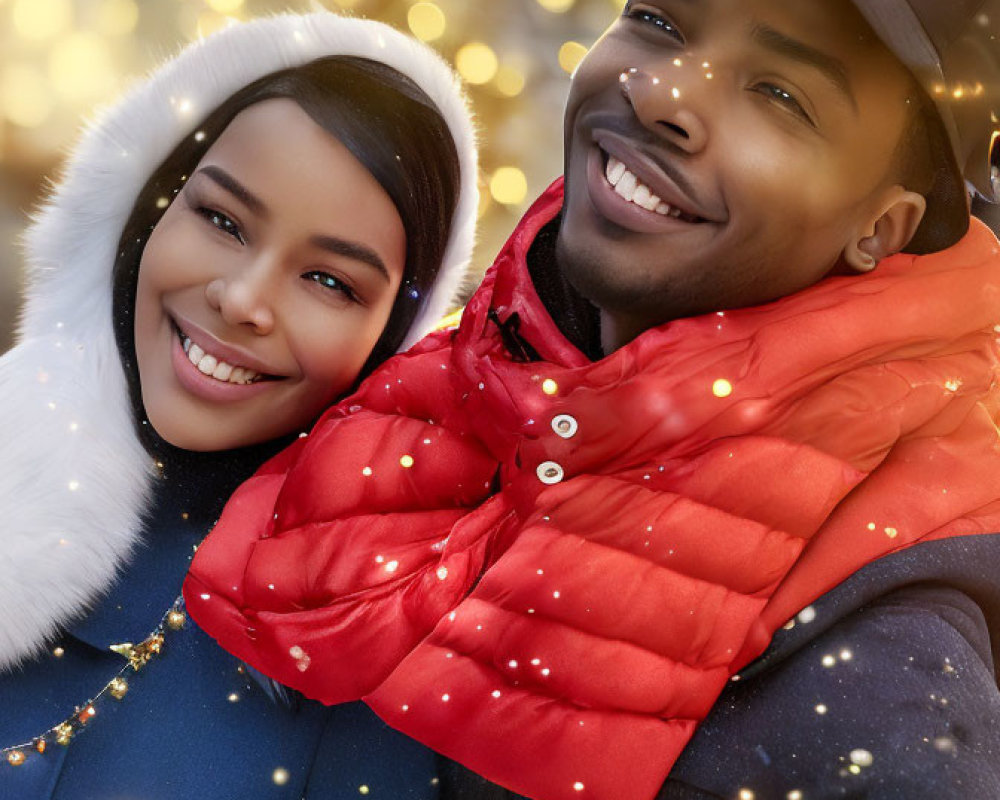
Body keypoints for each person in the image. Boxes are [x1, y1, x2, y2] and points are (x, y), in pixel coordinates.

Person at [185, 1, 1000, 798]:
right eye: (660, 22)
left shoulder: (885, 680)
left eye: (781, 96)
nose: (661, 93)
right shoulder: (434, 376)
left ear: (882, 228)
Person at [0, 12, 478, 798]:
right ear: (147, 207)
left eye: (330, 282)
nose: (243, 299)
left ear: (389, 341)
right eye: (221, 221)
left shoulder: (364, 668)